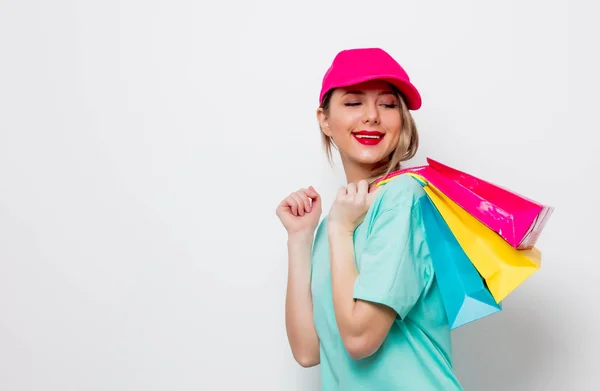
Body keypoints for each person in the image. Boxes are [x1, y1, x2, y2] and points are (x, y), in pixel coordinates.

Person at [276, 47, 464, 390]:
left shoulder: (402, 197)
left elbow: (360, 339)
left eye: (388, 104)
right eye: (353, 103)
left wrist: (339, 230)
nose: (372, 116)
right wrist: (301, 238)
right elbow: (308, 351)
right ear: (325, 119)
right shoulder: (339, 218)